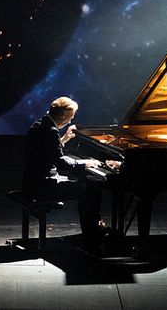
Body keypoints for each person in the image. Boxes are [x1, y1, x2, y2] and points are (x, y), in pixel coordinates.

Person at [23, 96, 106, 252]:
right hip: (44, 186)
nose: (69, 121)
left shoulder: (39, 125)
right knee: (89, 188)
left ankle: (90, 232)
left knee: (85, 184)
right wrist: (86, 162)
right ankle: (91, 236)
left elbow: (47, 150)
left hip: (32, 182)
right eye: (70, 117)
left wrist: (64, 139)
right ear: (62, 115)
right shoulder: (50, 131)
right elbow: (61, 162)